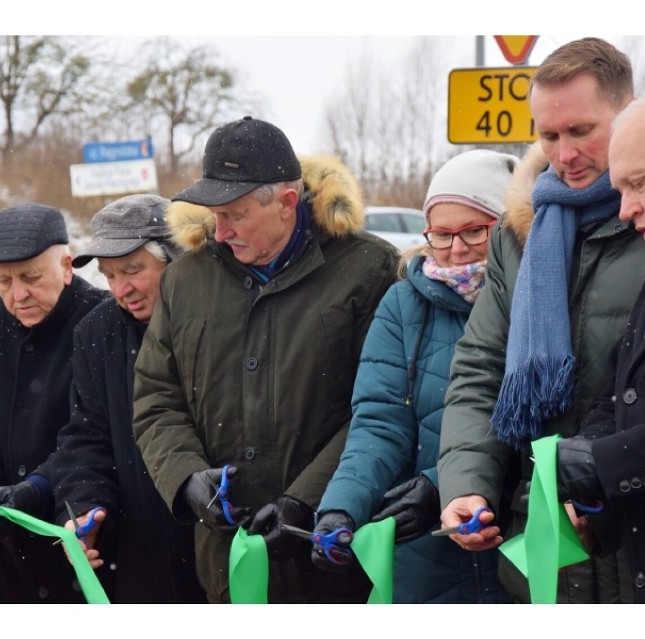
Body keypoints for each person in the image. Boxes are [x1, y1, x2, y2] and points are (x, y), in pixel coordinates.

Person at [132, 116, 399, 603]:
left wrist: (307, 500)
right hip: (228, 566)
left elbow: (380, 408)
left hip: (332, 557)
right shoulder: (186, 280)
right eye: (213, 213)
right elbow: (156, 396)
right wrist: (185, 476)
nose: (220, 230)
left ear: (286, 204)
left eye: (234, 214)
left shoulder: (368, 270)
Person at [437, 37, 645, 603]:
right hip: (541, 546)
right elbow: (482, 366)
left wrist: (609, 482)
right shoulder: (522, 231)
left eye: (581, 131)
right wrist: (466, 486)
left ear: (630, 112)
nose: (564, 155)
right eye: (548, 135)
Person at [313, 150, 518, 603]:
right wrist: (341, 508)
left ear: (505, 227)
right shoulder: (403, 305)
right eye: (441, 235)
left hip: (517, 548)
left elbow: (524, 424)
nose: (457, 249)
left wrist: (442, 484)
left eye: (474, 230)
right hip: (426, 558)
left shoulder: (534, 298)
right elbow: (379, 422)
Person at [556, 87, 645, 603]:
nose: (625, 209)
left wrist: (603, 465)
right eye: (619, 189)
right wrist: (593, 493)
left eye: (637, 183)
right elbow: (623, 391)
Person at [46, 194, 205, 603]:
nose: (121, 289)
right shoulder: (95, 333)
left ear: (176, 260)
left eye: (133, 270)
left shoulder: (216, 319)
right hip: (140, 555)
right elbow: (86, 438)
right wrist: (84, 507)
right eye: (109, 275)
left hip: (214, 541)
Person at [0, 203, 107, 603]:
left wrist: (36, 491)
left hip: (91, 545)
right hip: (15, 566)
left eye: (31, 278)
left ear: (68, 265)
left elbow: (95, 441)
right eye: (3, 282)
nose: (17, 295)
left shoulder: (105, 321)